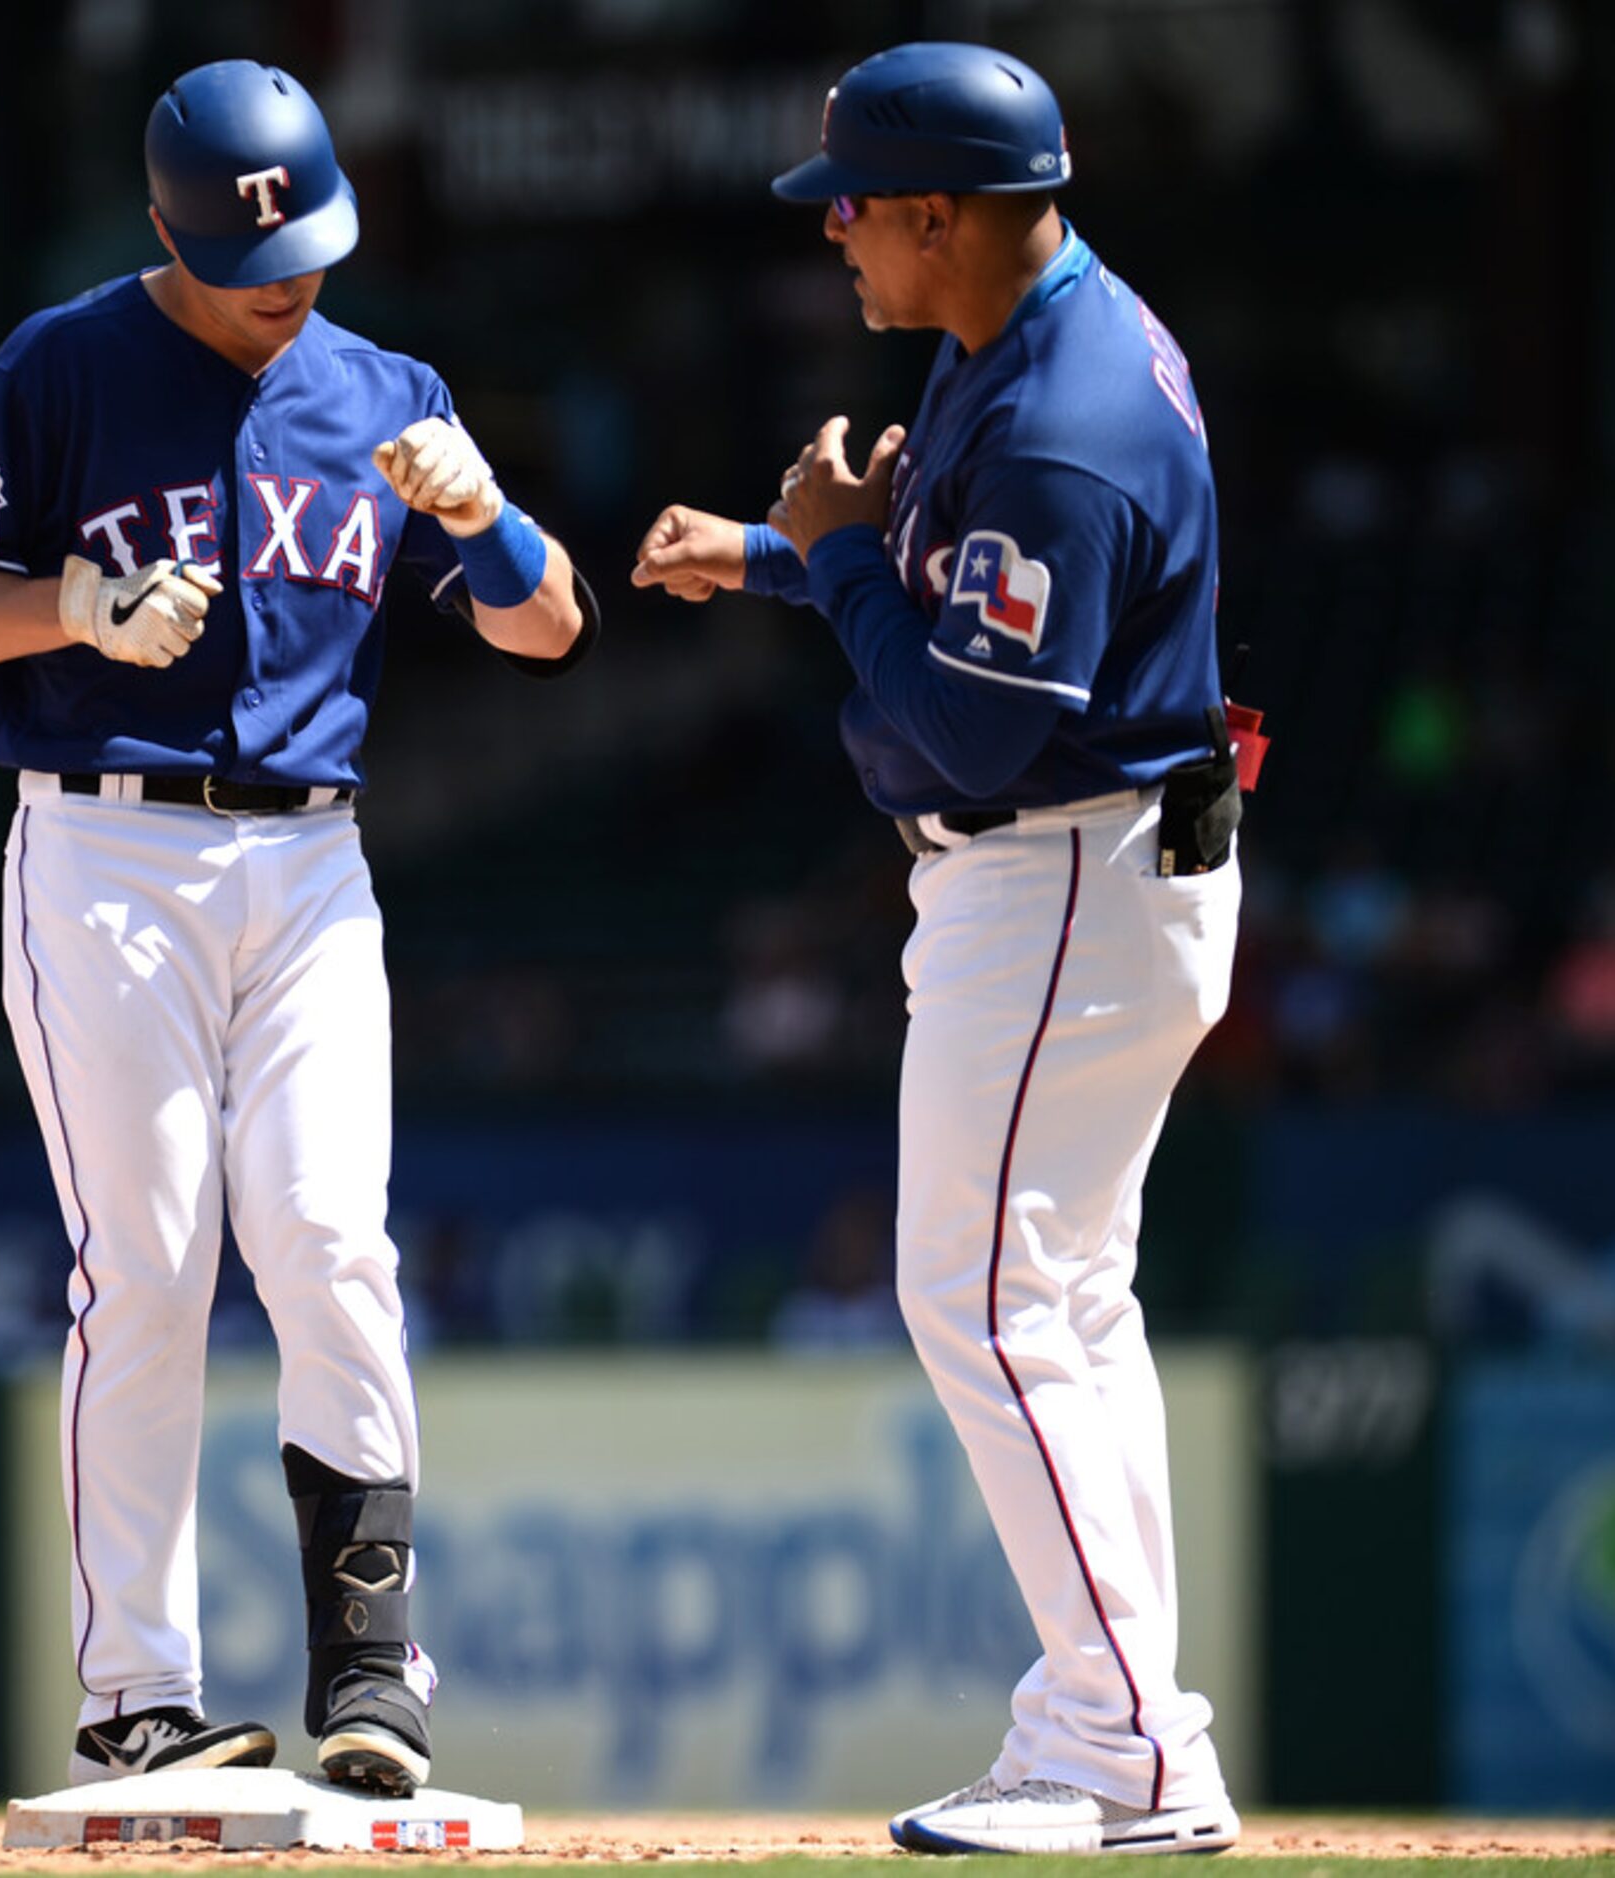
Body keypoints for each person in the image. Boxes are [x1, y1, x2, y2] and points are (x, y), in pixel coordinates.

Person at [0, 58, 594, 1797]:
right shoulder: (58, 365)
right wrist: (68, 600)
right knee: (150, 1264)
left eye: (311, 248)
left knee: (331, 1236)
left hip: (313, 865)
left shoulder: (384, 387)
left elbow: (550, 627)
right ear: (164, 232)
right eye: (249, 256)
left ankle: (372, 1670)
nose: (290, 283)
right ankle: (140, 1690)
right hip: (104, 857)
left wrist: (487, 518)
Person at [633, 41, 1257, 1857]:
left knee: (979, 1298)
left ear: (938, 212)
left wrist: (821, 556)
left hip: (1059, 863)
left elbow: (980, 726)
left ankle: (1127, 1747)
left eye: (853, 204)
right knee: (1062, 1307)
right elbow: (934, 575)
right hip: (1085, 868)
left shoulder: (1066, 410)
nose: (832, 233)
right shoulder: (1017, 335)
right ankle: (1124, 1723)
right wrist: (775, 551)